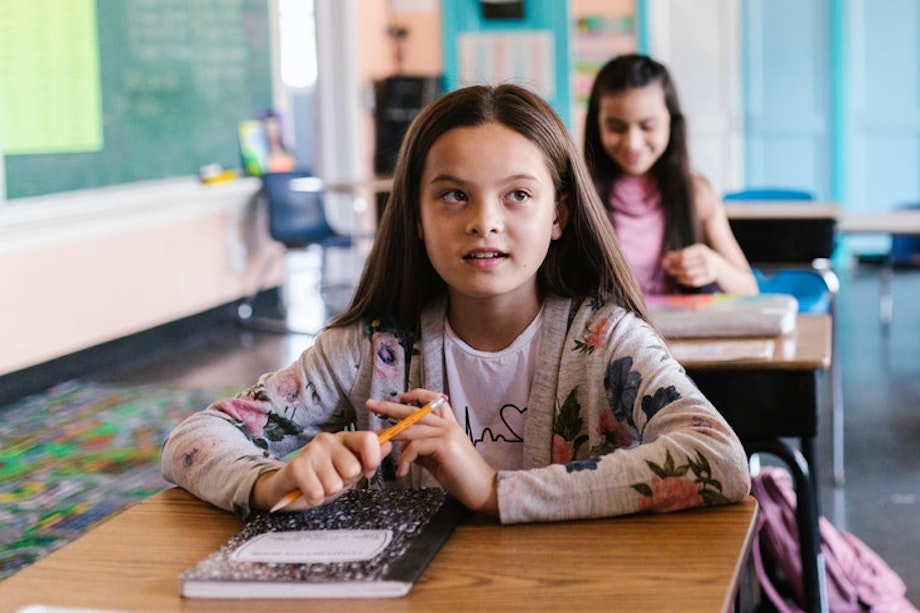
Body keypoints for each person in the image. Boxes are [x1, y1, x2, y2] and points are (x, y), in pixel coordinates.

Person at [161, 83, 750, 524]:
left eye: (517, 195)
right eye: (452, 196)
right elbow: (192, 440)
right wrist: (273, 482)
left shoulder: (607, 343)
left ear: (558, 216)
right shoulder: (370, 350)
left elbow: (719, 458)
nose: (484, 223)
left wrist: (493, 490)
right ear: (416, 215)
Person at [584, 54, 758, 296]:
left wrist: (715, 267)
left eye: (648, 127)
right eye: (616, 127)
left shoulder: (697, 194)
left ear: (671, 123)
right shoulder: (578, 194)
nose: (633, 143)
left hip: (680, 333)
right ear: (597, 125)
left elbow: (749, 290)